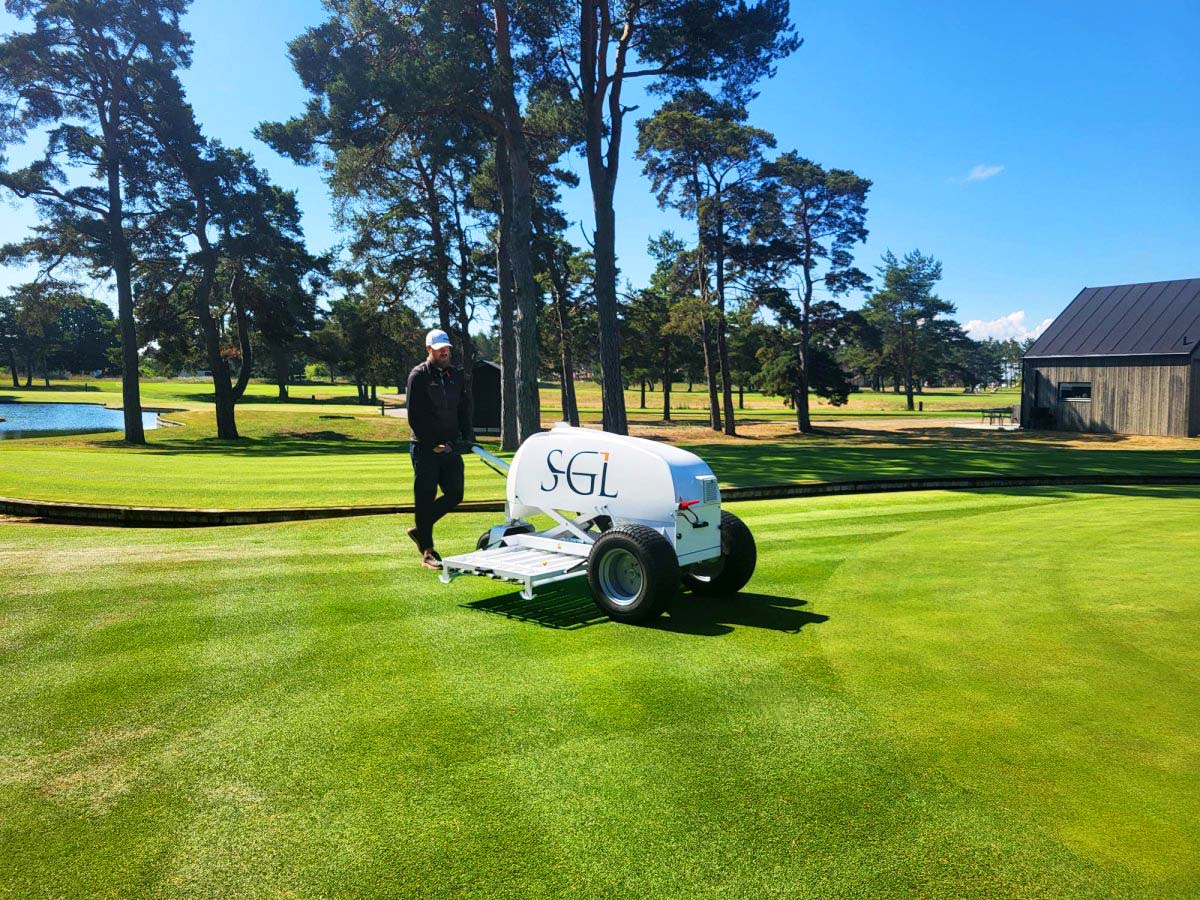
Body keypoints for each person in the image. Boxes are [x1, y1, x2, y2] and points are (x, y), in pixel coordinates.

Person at [405, 328, 473, 569]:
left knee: (456, 493)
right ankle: (428, 551)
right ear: (429, 350)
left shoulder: (456, 376)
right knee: (425, 498)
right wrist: (433, 444)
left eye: (447, 348)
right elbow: (415, 416)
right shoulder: (419, 375)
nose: (445, 352)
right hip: (425, 448)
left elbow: (463, 410)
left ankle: (419, 529)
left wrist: (464, 439)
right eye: (439, 348)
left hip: (450, 447)